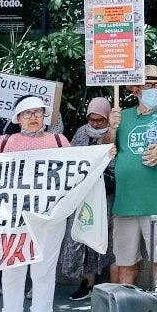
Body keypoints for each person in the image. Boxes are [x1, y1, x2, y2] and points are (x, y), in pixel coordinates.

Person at [0, 96, 70, 312]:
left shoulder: (59, 142)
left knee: (44, 272)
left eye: (38, 112)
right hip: (12, 219)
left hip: (49, 219)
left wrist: (105, 152)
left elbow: (81, 167)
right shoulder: (6, 142)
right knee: (13, 271)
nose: (33, 117)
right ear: (17, 118)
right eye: (27, 113)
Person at [104, 64, 157, 286]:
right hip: (126, 204)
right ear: (136, 90)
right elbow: (107, 151)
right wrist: (111, 129)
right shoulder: (123, 116)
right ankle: (125, 311)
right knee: (125, 264)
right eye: (148, 85)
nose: (154, 90)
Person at [61, 97, 116, 301]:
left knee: (100, 232)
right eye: (91, 119)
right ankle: (85, 279)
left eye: (99, 120)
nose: (94, 124)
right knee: (80, 231)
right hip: (82, 192)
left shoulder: (114, 132)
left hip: (104, 193)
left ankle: (97, 279)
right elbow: (74, 159)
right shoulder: (82, 132)